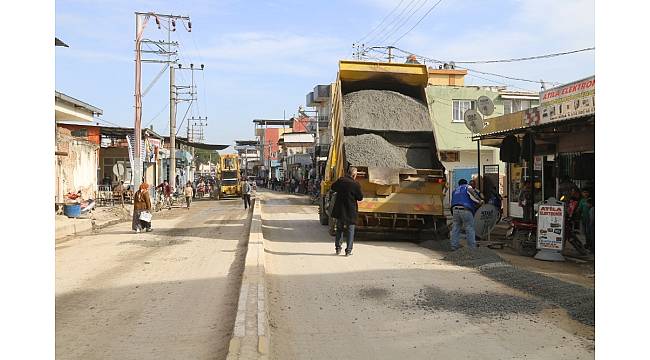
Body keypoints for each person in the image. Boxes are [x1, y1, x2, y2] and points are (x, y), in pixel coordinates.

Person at [331, 167, 364, 256]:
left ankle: (338, 248)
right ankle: (348, 251)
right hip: (350, 211)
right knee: (350, 231)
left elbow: (333, 187)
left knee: (339, 229)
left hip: (340, 210)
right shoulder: (355, 184)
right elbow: (360, 197)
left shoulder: (341, 181)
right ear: (354, 175)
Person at [450, 179, 483, 251]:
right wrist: (480, 201)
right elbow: (474, 195)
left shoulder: (455, 190)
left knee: (455, 228)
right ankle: (471, 248)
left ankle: (454, 246)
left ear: (459, 184)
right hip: (465, 209)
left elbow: (453, 201)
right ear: (466, 183)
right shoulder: (468, 187)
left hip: (455, 209)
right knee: (469, 227)